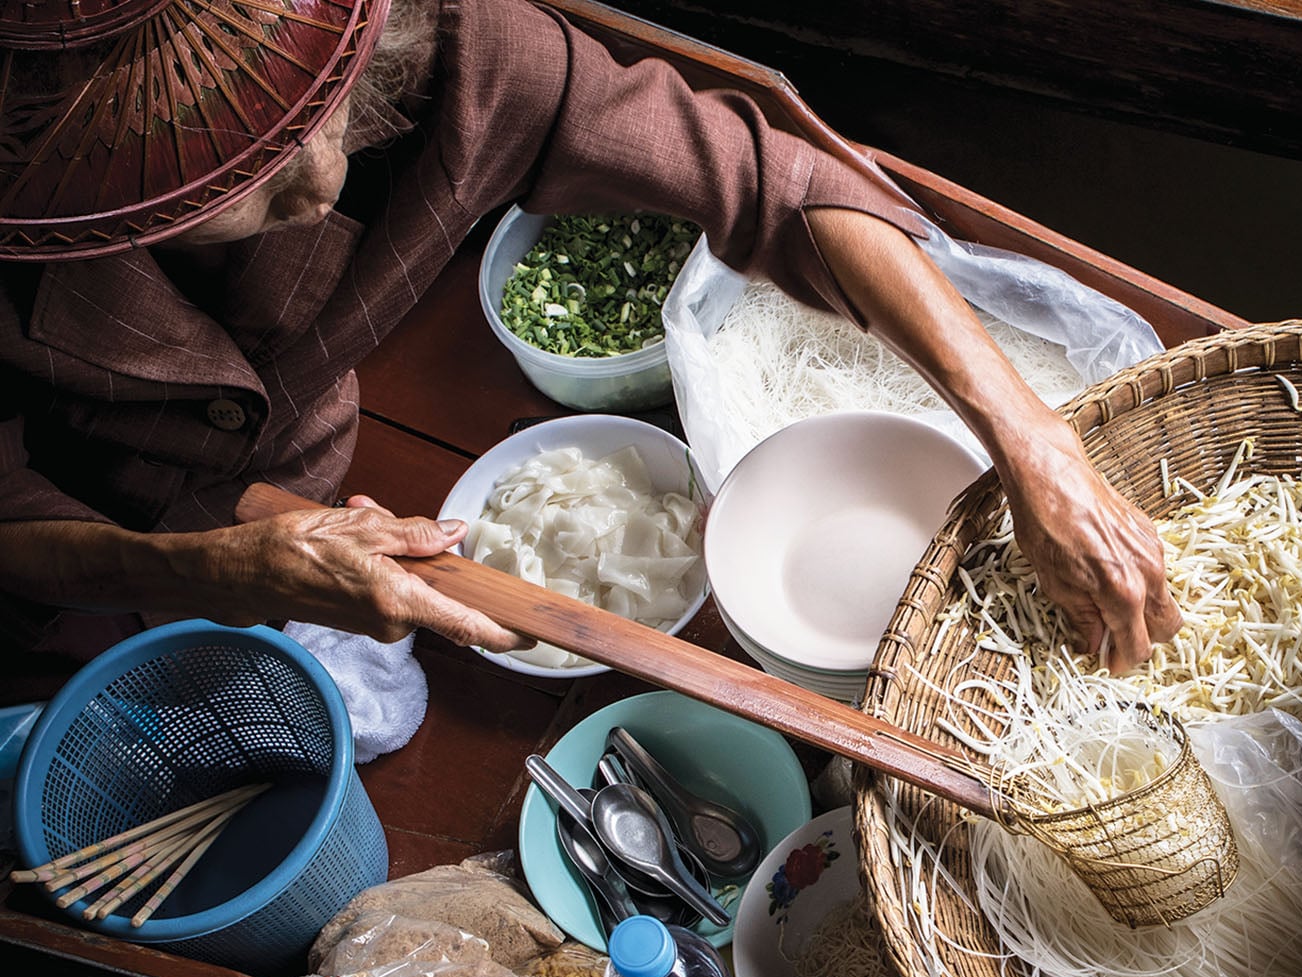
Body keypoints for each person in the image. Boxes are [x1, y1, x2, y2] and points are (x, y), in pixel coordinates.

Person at [0, 0, 1179, 681]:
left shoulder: (453, 48)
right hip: (75, 558)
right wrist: (193, 568)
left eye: (333, 111)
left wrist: (1033, 445)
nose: (321, 181)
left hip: (314, 464)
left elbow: (775, 186)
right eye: (243, 178)